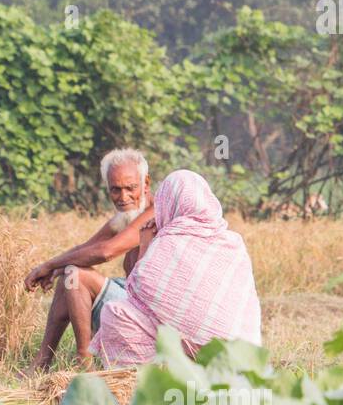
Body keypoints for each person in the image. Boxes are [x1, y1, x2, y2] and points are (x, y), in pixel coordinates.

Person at [90, 169, 261, 367]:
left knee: (116, 312)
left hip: (202, 352)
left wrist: (145, 244)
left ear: (167, 204)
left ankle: (140, 378)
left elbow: (136, 292)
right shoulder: (233, 242)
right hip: (245, 356)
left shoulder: (169, 241)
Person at [24, 148, 157, 371]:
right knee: (69, 275)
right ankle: (42, 361)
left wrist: (49, 265)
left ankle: (84, 361)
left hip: (150, 320)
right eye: (115, 190)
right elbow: (89, 248)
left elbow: (106, 252)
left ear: (146, 183)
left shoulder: (153, 212)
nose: (123, 197)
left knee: (75, 274)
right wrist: (54, 270)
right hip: (134, 304)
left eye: (130, 188)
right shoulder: (128, 214)